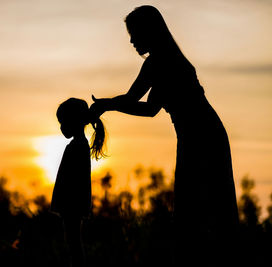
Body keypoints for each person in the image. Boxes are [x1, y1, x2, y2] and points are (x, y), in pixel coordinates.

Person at [90, 5, 239, 266]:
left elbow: (146, 108)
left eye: (134, 33)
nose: (131, 41)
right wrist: (108, 104)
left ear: (149, 31)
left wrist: (107, 105)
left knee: (199, 208)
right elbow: (142, 104)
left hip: (202, 135)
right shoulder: (159, 59)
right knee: (198, 207)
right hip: (198, 134)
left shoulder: (161, 60)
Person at [51, 98, 106, 267]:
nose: (61, 127)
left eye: (63, 122)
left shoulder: (77, 146)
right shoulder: (79, 145)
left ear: (74, 121)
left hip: (72, 205)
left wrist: (64, 204)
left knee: (74, 243)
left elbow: (72, 180)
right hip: (73, 205)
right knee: (73, 242)